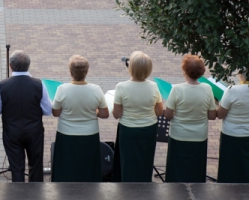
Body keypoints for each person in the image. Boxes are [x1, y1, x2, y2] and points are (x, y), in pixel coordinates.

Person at [0, 51, 52, 182]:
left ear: (10, 66)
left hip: (12, 132)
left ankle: (18, 195)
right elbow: (48, 111)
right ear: (29, 65)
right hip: (34, 132)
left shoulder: (1, 86)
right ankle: (36, 194)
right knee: (36, 165)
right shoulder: (39, 84)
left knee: (16, 166)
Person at [50, 55, 108, 182]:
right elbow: (104, 114)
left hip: (66, 133)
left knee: (67, 165)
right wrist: (95, 112)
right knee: (88, 166)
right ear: (86, 72)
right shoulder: (96, 90)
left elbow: (55, 112)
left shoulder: (62, 89)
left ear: (70, 72)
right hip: (90, 133)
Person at [163, 55, 216, 183]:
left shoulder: (177, 89)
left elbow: (168, 115)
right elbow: (212, 116)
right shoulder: (207, 89)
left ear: (184, 71)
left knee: (177, 169)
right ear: (202, 72)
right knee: (196, 170)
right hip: (199, 136)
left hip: (178, 135)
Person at [112, 51, 163, 182]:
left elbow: (116, 114)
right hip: (149, 130)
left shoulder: (121, 87)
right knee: (145, 160)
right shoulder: (153, 86)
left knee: (127, 161)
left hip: (128, 130)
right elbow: (159, 112)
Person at [215, 71, 249, 183]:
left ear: (241, 74)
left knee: (229, 168)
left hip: (231, 134)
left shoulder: (232, 90)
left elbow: (220, 114)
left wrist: (216, 103)